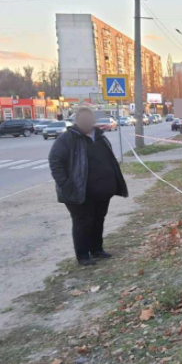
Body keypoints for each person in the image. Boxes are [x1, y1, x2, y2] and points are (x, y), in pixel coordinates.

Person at [48, 108, 128, 266]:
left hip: (102, 191)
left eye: (88, 119)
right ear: (77, 121)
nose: (86, 122)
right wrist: (66, 185)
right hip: (79, 192)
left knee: (98, 220)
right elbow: (55, 162)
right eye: (82, 119)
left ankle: (96, 249)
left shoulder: (99, 137)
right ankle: (83, 256)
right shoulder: (67, 139)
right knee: (82, 222)